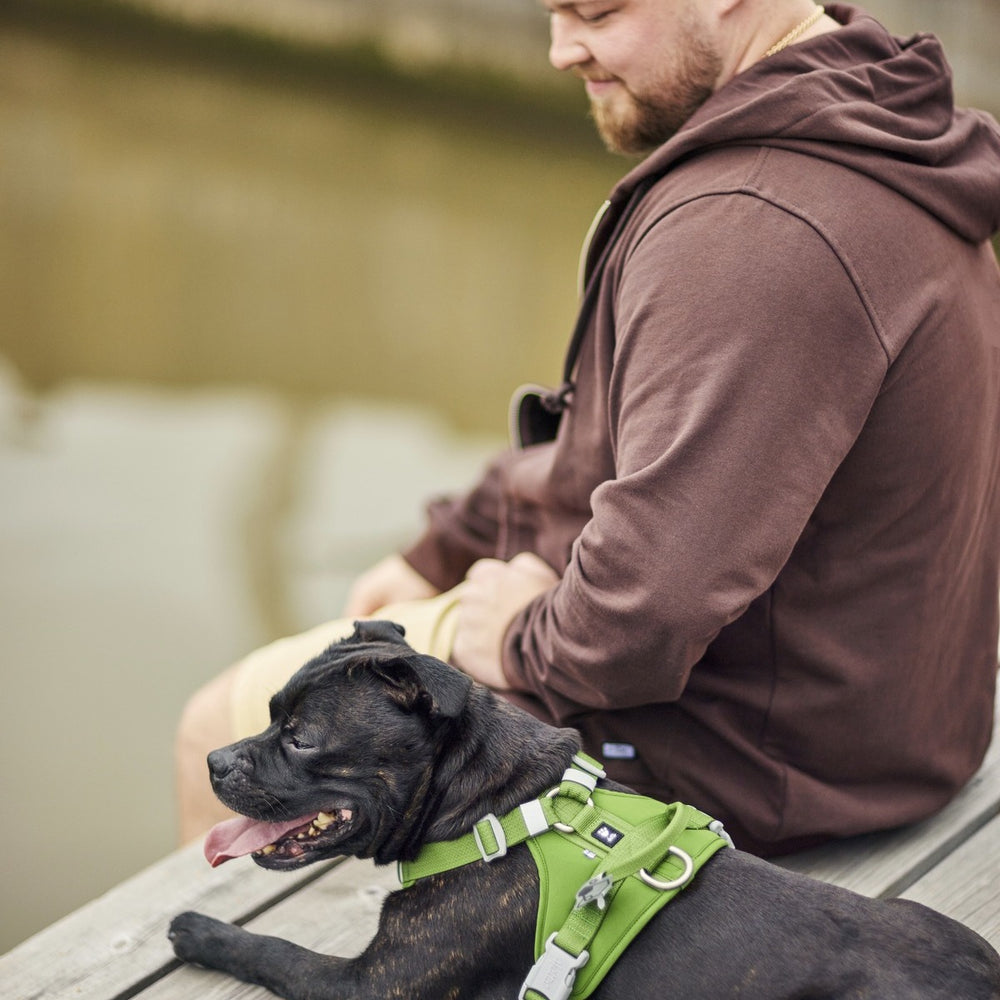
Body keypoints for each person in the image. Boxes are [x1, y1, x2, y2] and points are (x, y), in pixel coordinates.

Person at [177, 0, 1000, 856]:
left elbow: (638, 623)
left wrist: (508, 639)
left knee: (213, 725)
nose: (562, 49)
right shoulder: (879, 127)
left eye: (596, 11)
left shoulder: (753, 231)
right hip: (884, 733)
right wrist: (443, 551)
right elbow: (604, 440)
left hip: (747, 766)